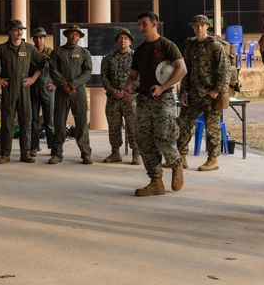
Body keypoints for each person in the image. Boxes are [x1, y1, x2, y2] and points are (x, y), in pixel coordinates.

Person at [124, 11, 187, 196]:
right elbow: (133, 76)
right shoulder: (141, 50)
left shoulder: (167, 45)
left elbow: (182, 69)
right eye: (139, 25)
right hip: (143, 100)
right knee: (144, 141)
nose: (141, 28)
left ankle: (176, 165)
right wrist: (129, 88)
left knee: (164, 138)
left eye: (144, 24)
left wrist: (162, 87)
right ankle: (156, 182)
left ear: (154, 24)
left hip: (163, 99)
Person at [176, 16, 231, 172]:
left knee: (212, 127)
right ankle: (181, 156)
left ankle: (213, 160)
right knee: (184, 123)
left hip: (209, 94)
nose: (199, 28)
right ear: (193, 27)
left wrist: (217, 90)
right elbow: (186, 71)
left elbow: (224, 69)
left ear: (207, 27)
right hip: (193, 94)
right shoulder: (190, 47)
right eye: (196, 25)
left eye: (202, 25)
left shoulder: (215, 46)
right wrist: (184, 92)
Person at [0, 20, 45, 164]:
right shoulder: (2, 49)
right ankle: (5, 153)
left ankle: (25, 153)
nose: (19, 32)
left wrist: (33, 78)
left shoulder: (29, 48)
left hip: (25, 89)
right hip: (9, 89)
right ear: (10, 32)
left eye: (21, 29)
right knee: (7, 122)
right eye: (16, 30)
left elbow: (42, 63)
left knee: (26, 121)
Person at [47, 25, 92, 164]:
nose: (74, 37)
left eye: (77, 35)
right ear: (66, 36)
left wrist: (72, 85)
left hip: (78, 92)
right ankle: (57, 153)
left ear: (79, 37)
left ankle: (85, 153)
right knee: (59, 122)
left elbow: (88, 72)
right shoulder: (57, 52)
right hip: (61, 91)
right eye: (71, 34)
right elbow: (53, 70)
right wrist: (64, 85)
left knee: (81, 123)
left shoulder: (85, 53)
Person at [100, 28, 138, 164]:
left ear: (130, 41)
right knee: (114, 126)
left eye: (126, 38)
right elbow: (104, 77)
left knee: (133, 126)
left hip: (130, 99)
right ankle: (115, 152)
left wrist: (129, 91)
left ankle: (136, 153)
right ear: (116, 41)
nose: (123, 40)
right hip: (113, 99)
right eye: (120, 38)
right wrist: (112, 90)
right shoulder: (108, 58)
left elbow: (140, 77)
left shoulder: (136, 57)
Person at [28, 27, 55, 157]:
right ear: (33, 39)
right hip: (32, 90)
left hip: (47, 90)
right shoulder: (29, 52)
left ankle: (53, 146)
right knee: (33, 120)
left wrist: (55, 84)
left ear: (45, 38)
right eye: (36, 37)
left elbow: (58, 70)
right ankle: (34, 146)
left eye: (41, 37)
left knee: (49, 120)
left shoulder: (51, 53)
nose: (39, 40)